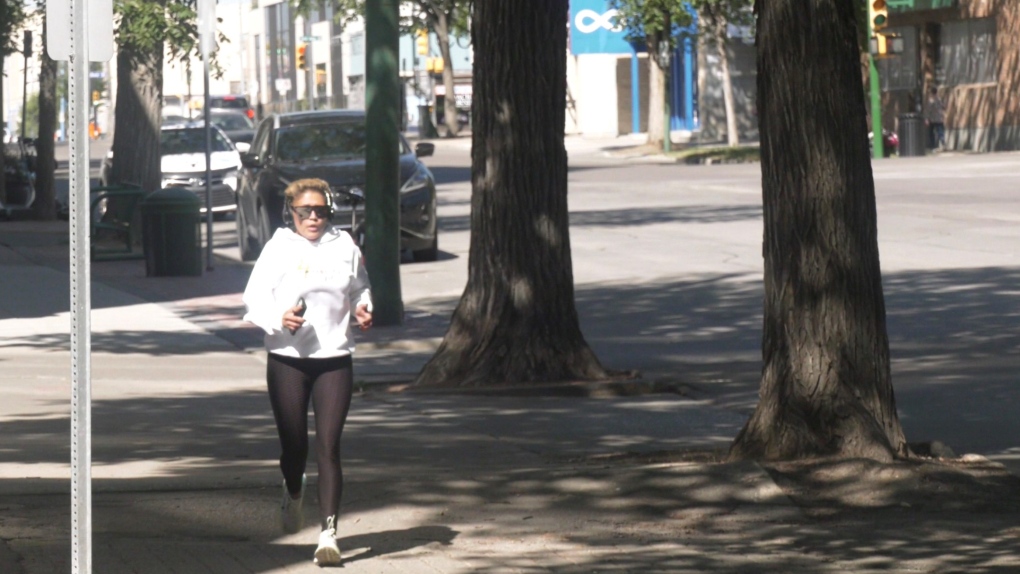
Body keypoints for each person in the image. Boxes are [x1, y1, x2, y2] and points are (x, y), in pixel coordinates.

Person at [242, 177, 373, 566]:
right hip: (287, 358)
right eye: (305, 212)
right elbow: (253, 299)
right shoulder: (278, 248)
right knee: (295, 446)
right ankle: (293, 488)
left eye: (320, 211)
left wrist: (365, 306)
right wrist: (278, 318)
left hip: (334, 358)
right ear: (292, 213)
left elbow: (359, 288)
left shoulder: (345, 246)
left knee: (329, 447)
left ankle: (328, 534)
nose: (313, 218)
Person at [924, 87, 946, 151]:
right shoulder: (939, 99)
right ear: (936, 92)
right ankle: (942, 141)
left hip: (932, 119)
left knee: (931, 132)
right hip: (939, 118)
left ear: (931, 93)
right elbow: (944, 107)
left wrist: (926, 119)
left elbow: (928, 110)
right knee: (940, 131)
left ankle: (933, 145)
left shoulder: (931, 101)